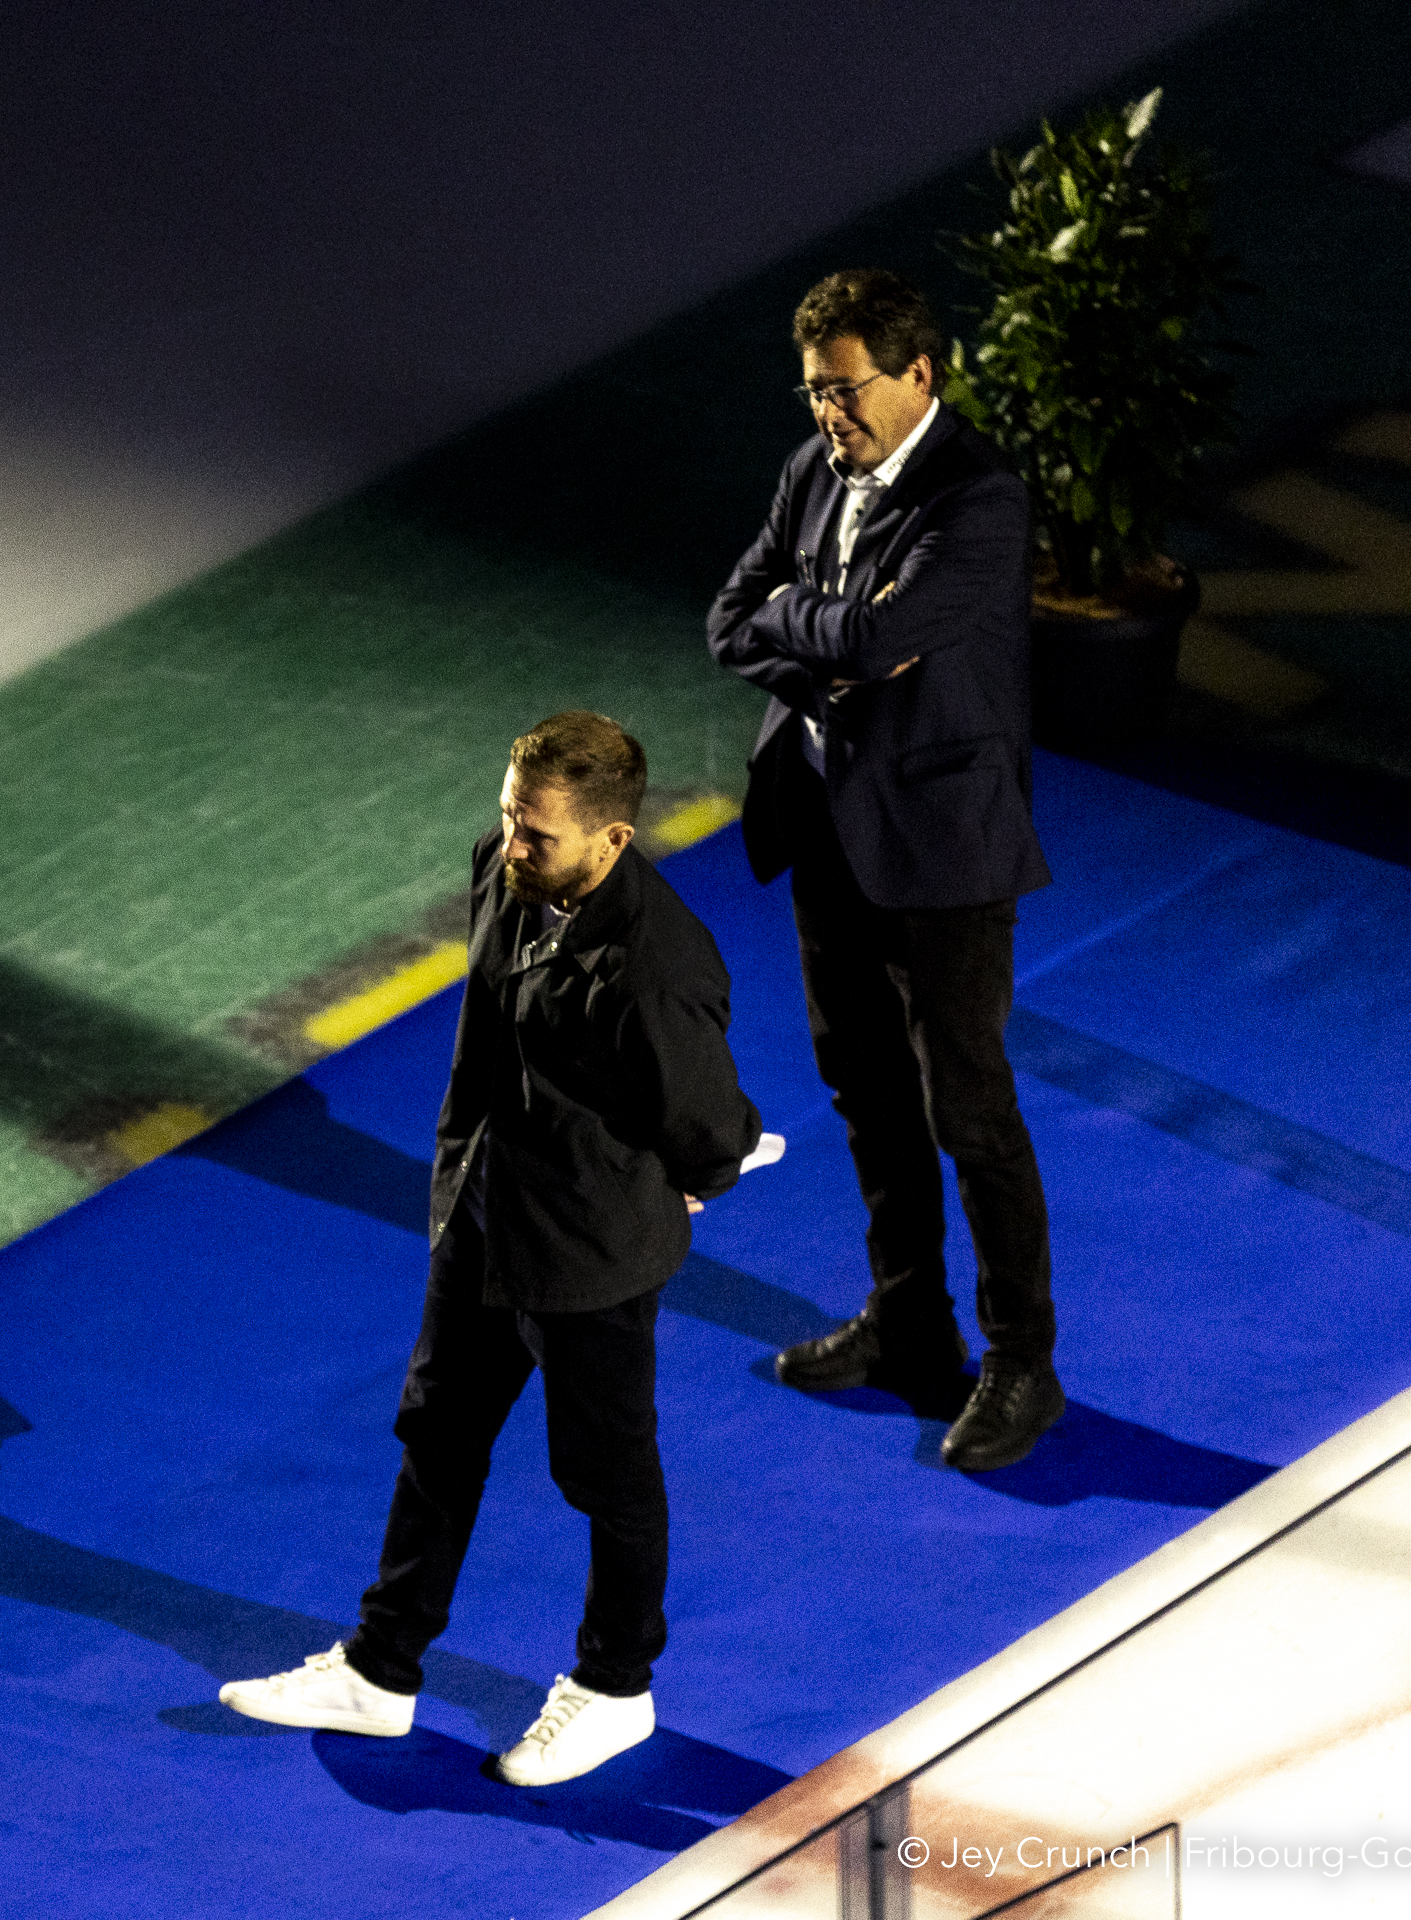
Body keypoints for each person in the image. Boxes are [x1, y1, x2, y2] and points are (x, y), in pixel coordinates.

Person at [219, 713, 761, 1785]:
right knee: (440, 1433)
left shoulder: (656, 966)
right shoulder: (501, 871)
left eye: (538, 834)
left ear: (612, 839)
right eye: (510, 816)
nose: (513, 844)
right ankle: (381, 1669)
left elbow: (706, 1122)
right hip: (484, 1215)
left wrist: (694, 1177)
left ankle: (617, 1687)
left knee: (606, 1475)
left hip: (589, 1252)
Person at [703, 267, 1064, 1471]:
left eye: (846, 389)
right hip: (827, 825)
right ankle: (912, 1319)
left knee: (970, 1107)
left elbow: (880, 633)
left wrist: (818, 627)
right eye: (814, 391)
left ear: (919, 373)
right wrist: (831, 646)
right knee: (863, 1084)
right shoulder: (812, 472)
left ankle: (1022, 1363)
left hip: (945, 846)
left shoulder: (981, 498)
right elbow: (731, 619)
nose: (829, 412)